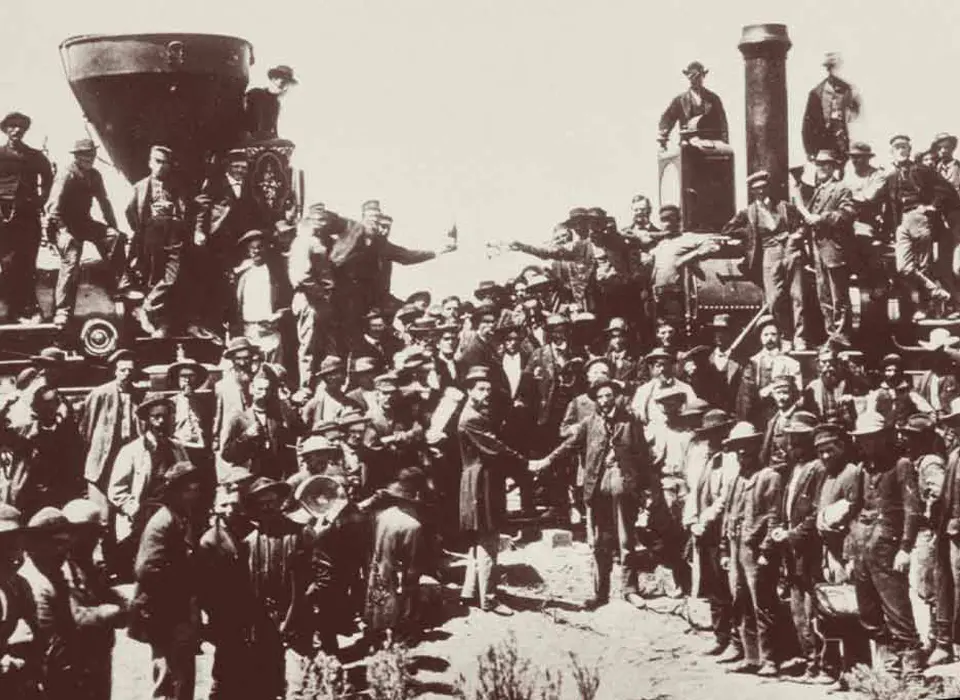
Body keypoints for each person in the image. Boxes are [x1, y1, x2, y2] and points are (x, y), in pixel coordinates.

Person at [534, 378, 647, 610]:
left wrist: (635, 478)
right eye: (600, 397)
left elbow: (642, 454)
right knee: (599, 541)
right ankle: (601, 592)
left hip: (623, 484)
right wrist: (546, 461)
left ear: (616, 397)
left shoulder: (630, 421)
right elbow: (568, 446)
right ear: (595, 400)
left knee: (626, 540)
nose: (605, 401)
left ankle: (630, 589)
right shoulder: (589, 423)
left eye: (608, 396)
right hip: (596, 487)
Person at [848, 412, 924, 678]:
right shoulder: (861, 469)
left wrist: (905, 548)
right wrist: (851, 552)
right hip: (862, 550)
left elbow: (912, 510)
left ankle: (913, 672)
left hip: (889, 550)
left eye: (870, 440)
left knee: (897, 611)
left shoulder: (901, 465)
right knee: (869, 613)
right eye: (862, 440)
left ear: (883, 439)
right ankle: (890, 668)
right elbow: (856, 509)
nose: (866, 445)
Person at [128, 462, 206, 700]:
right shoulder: (163, 523)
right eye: (190, 488)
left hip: (178, 612)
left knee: (182, 678)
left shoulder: (180, 518)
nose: (196, 492)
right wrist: (179, 587)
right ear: (176, 492)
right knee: (170, 677)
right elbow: (147, 569)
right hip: (165, 614)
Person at [458, 366, 529, 615]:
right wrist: (525, 463)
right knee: (489, 539)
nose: (487, 393)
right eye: (481, 389)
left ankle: (469, 591)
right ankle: (488, 598)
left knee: (480, 539)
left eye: (488, 388)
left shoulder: (475, 412)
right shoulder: (472, 419)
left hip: (481, 479)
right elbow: (497, 448)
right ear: (469, 390)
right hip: (482, 482)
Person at [770, 414, 830, 683]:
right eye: (790, 437)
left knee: (812, 608)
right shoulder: (793, 469)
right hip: (792, 550)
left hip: (811, 550)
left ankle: (822, 664)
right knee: (797, 608)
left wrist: (792, 535)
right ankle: (810, 661)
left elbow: (816, 512)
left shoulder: (817, 468)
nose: (790, 443)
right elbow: (788, 508)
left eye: (796, 438)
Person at [720, 421, 782, 677]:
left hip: (756, 551)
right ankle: (751, 655)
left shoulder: (769, 477)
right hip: (736, 548)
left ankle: (770, 658)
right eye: (737, 450)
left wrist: (767, 549)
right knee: (740, 600)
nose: (742, 454)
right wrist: (724, 549)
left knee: (762, 603)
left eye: (746, 448)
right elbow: (728, 515)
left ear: (756, 447)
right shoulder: (736, 480)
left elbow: (774, 516)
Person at [47, 138, 132, 327]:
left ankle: (122, 286)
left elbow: (104, 203)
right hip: (63, 224)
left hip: (83, 222)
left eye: (92, 154)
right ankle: (62, 310)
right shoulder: (66, 174)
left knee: (113, 237)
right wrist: (61, 231)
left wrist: (114, 227)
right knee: (71, 258)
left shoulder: (94, 175)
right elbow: (53, 206)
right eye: (85, 155)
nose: (90, 158)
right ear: (77, 157)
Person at [722, 170, 806, 348]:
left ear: (768, 188)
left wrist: (795, 236)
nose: (761, 192)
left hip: (791, 252)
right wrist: (749, 234)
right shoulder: (749, 212)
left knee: (797, 295)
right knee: (774, 298)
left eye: (763, 188)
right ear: (752, 192)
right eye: (756, 189)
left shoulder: (784, 206)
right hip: (769, 254)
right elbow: (727, 229)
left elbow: (802, 224)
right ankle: (785, 336)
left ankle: (800, 337)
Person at [107, 394, 190, 573]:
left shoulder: (177, 448)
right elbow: (116, 490)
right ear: (147, 420)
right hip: (142, 516)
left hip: (172, 514)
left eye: (165, 416)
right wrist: (134, 510)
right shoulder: (131, 451)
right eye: (156, 417)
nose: (161, 422)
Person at [61, 498, 127, 700]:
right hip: (76, 655)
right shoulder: (62, 567)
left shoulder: (89, 563)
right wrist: (108, 612)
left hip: (98, 651)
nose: (98, 539)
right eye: (94, 534)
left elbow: (107, 593)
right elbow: (75, 616)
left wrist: (121, 604)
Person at [126, 145, 189, 338]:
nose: (161, 166)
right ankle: (158, 324)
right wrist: (146, 227)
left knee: (172, 276)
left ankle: (147, 306)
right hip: (150, 237)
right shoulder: (140, 187)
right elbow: (130, 213)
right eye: (158, 161)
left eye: (165, 162)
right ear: (150, 163)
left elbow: (184, 211)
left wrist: (171, 216)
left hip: (172, 236)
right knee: (153, 277)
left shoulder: (176, 187)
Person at [17, 507, 79, 698]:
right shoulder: (36, 583)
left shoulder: (53, 573)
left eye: (66, 544)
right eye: (57, 544)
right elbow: (47, 641)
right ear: (37, 545)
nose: (63, 551)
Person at [364, 466, 430, 643]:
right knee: (400, 605)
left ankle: (376, 633)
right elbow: (412, 565)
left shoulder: (382, 515)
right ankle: (401, 633)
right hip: (397, 574)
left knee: (378, 602)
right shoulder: (412, 525)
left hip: (378, 568)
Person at [0, 111, 53, 323]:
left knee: (28, 261)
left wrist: (41, 201)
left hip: (28, 216)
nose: (16, 130)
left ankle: (27, 308)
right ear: (5, 130)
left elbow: (49, 178)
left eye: (20, 127)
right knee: (8, 262)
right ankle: (12, 309)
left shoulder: (35, 156)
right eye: (12, 126)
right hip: (3, 216)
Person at [78, 349, 143, 521]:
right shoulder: (101, 393)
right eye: (123, 370)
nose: (127, 374)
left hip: (126, 453)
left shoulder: (138, 395)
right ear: (115, 371)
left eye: (130, 370)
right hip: (104, 453)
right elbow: (87, 426)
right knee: (101, 505)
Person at [802, 150, 857, 344]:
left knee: (838, 295)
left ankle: (842, 334)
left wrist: (822, 218)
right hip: (818, 250)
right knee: (823, 293)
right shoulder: (817, 190)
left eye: (826, 165)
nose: (821, 168)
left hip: (834, 250)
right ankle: (831, 334)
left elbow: (847, 214)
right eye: (818, 164)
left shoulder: (841, 188)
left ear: (833, 167)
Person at [288, 205, 340, 389]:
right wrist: (322, 292)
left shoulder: (319, 242)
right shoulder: (303, 242)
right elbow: (302, 276)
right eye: (319, 220)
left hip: (321, 300)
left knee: (326, 344)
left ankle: (324, 386)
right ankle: (306, 387)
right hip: (309, 299)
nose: (323, 225)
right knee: (309, 346)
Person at [221, 367, 304, 481]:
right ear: (251, 389)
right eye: (260, 389)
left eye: (267, 389)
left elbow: (297, 433)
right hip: (249, 476)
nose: (264, 394)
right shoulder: (239, 418)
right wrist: (245, 437)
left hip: (276, 476)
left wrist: (287, 404)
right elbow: (227, 455)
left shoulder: (277, 417)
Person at [230, 229, 292, 364]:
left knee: (271, 372)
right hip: (248, 332)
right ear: (247, 251)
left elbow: (289, 303)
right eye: (252, 248)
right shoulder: (242, 274)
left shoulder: (278, 274)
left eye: (260, 247)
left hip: (270, 332)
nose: (256, 251)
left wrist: (279, 315)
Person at [801, 52, 861, 160]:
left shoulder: (850, 90)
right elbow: (808, 125)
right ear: (828, 69)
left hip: (846, 146)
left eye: (837, 67)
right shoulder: (817, 93)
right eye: (831, 67)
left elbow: (857, 119)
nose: (834, 70)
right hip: (825, 148)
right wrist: (810, 151)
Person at [658, 61, 729, 149]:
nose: (695, 79)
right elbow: (667, 118)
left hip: (711, 147)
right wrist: (663, 133)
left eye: (698, 76)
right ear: (688, 78)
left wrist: (724, 145)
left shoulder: (713, 99)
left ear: (703, 76)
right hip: (688, 146)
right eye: (692, 76)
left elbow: (723, 124)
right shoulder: (679, 100)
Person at [244, 64, 297, 140]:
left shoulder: (276, 104)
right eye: (283, 80)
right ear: (273, 79)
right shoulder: (255, 94)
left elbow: (273, 131)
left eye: (287, 82)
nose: (285, 85)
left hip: (264, 143)